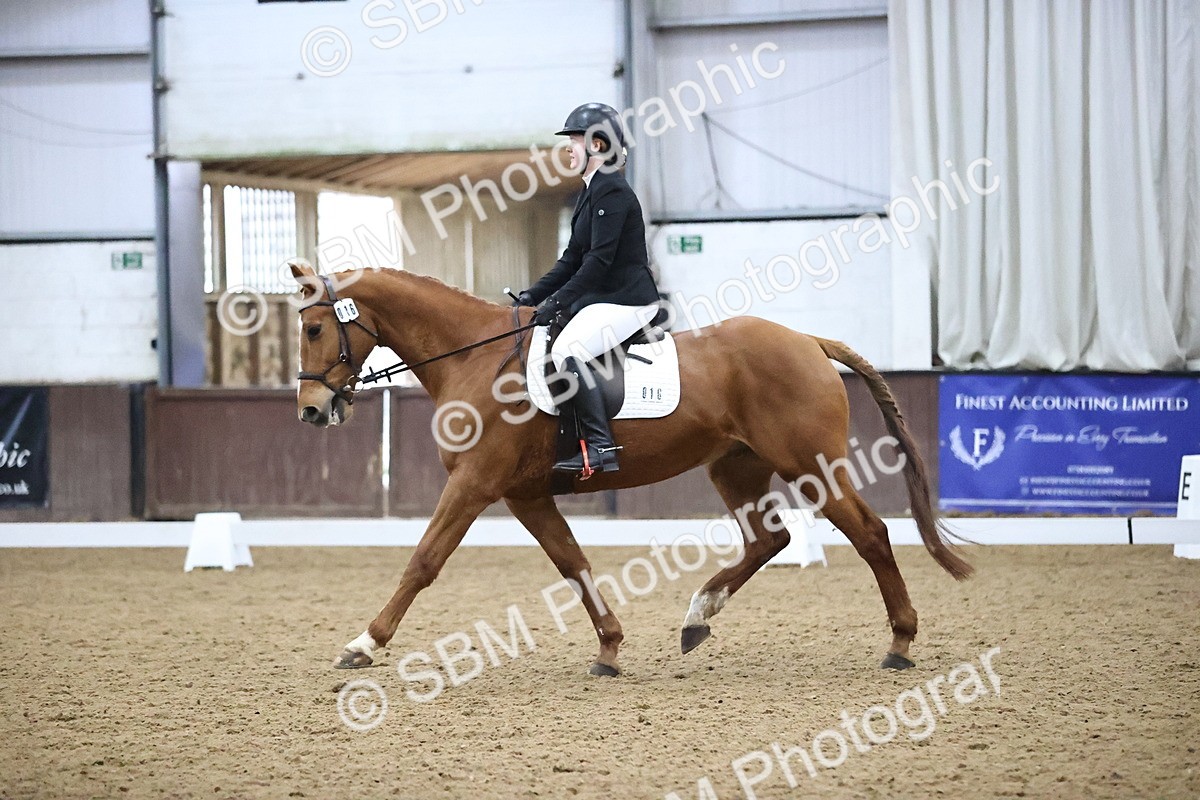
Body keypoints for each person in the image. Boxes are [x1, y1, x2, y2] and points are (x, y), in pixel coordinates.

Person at [516, 102, 661, 476]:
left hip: (629, 300)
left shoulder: (611, 189)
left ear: (598, 144)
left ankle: (600, 446)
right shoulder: (590, 190)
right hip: (606, 298)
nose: (568, 148)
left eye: (575, 140)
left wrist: (559, 301)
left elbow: (598, 262)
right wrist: (535, 294)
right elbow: (571, 259)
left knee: (569, 348)